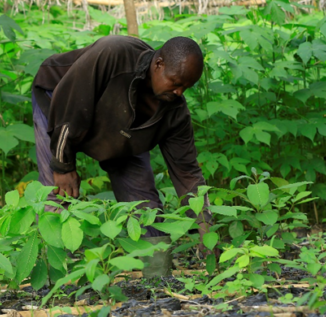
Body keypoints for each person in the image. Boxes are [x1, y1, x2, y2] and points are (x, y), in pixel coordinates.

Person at [30, 34, 211, 253]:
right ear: (159, 64)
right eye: (176, 83)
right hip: (59, 103)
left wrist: (205, 225)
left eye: (186, 87)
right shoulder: (114, 54)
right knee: (58, 193)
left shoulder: (175, 113)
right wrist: (62, 164)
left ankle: (156, 274)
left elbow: (187, 173)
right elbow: (71, 108)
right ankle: (56, 272)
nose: (180, 92)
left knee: (144, 206)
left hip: (119, 124)